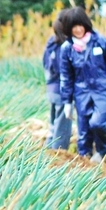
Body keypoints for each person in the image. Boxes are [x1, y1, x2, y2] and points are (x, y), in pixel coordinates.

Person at [60, 7, 106, 163]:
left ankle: (102, 149)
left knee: (97, 123)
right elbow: (66, 77)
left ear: (85, 24)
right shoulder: (67, 49)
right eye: (74, 27)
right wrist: (66, 102)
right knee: (83, 130)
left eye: (80, 25)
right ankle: (84, 159)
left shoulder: (100, 42)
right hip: (82, 93)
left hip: (103, 91)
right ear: (69, 28)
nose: (78, 29)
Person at [42, 14, 72, 150]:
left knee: (54, 125)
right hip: (61, 92)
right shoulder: (64, 47)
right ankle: (58, 155)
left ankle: (47, 151)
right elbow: (65, 72)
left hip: (51, 89)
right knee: (62, 128)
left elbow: (45, 64)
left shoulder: (50, 44)